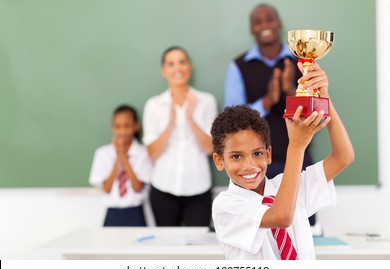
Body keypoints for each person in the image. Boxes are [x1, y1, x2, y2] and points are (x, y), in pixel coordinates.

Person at [211, 62, 354, 259]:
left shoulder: (289, 185)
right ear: (219, 161)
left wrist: (324, 97)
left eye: (258, 154)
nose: (249, 165)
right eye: (236, 156)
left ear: (268, 154)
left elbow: (343, 157)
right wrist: (296, 145)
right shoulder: (225, 206)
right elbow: (281, 217)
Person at [224, 3, 318, 226]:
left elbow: (315, 115)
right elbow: (232, 121)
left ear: (279, 24)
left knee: (303, 227)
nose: (265, 25)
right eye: (258, 22)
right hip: (256, 166)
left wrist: (288, 93)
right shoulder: (239, 66)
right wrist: (267, 100)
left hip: (299, 159)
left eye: (269, 19)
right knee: (264, 230)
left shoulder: (303, 63)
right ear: (252, 30)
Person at [143, 46, 218, 226]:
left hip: (198, 187)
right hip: (163, 187)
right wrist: (170, 123)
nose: (178, 68)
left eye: (182, 62)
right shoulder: (154, 105)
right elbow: (152, 153)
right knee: (167, 249)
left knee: (197, 248)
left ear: (189, 66)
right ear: (163, 70)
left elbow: (210, 148)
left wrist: (190, 118)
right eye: (171, 64)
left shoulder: (206, 101)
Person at [89, 105, 152, 227]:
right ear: (112, 127)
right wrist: (118, 159)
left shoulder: (143, 153)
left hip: (135, 211)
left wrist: (125, 159)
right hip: (112, 212)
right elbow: (106, 188)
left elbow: (138, 187)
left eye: (127, 126)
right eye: (118, 127)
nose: (122, 131)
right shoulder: (103, 153)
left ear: (136, 126)